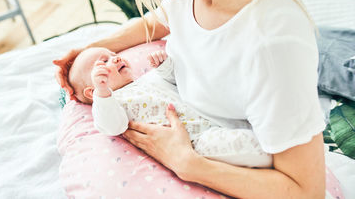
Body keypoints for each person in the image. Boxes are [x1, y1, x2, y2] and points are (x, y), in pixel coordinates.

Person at [53, 0, 327, 197]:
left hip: (220, 144)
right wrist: (88, 53)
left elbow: (307, 191)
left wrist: (188, 165)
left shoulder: (271, 46)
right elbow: (158, 22)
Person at [67, 47, 272, 168]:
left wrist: (164, 66)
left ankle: (278, 137)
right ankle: (276, 154)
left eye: (112, 54)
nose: (115, 58)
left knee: (255, 116)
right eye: (103, 63)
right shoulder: (113, 104)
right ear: (92, 92)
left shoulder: (149, 77)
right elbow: (112, 126)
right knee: (242, 144)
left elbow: (181, 81)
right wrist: (103, 94)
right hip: (197, 141)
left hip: (214, 112)